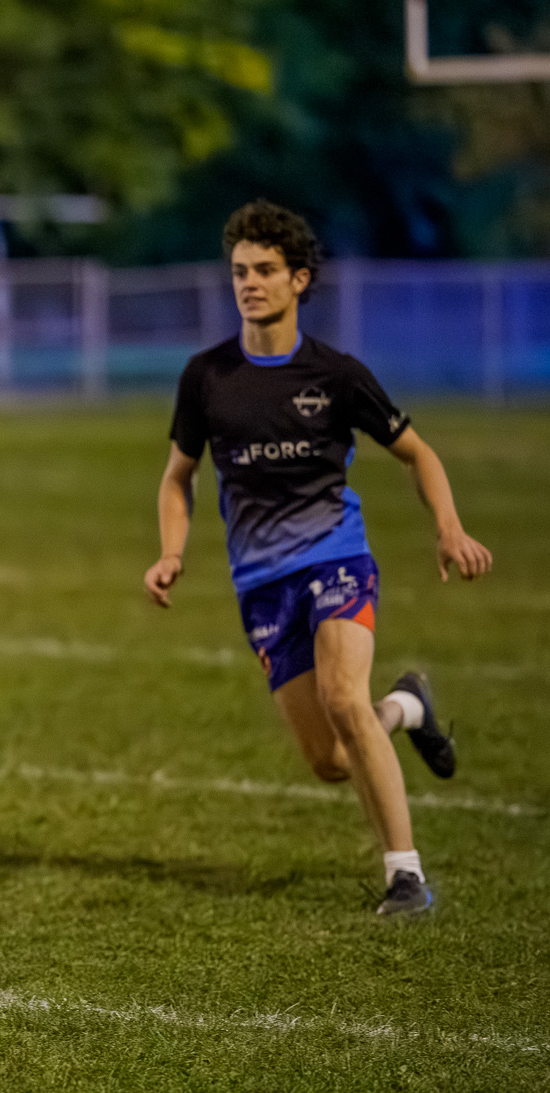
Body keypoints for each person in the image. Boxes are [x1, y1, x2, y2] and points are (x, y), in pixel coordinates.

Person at [144, 200, 493, 917]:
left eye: (266, 270)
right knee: (332, 760)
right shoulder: (206, 377)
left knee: (341, 698)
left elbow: (416, 452)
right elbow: (178, 477)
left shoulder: (336, 376)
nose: (250, 282)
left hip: (336, 558)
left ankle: (406, 875)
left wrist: (450, 528)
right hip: (261, 585)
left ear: (300, 279)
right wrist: (171, 552)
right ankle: (406, 706)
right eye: (240, 271)